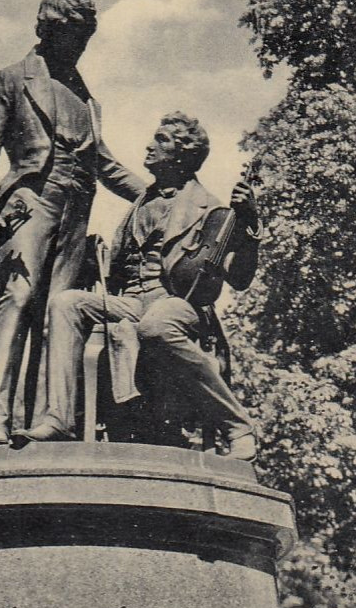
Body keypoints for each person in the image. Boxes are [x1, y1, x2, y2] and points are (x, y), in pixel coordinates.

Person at [14, 112, 261, 459]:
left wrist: (250, 222)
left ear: (183, 154)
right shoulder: (142, 201)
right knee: (66, 302)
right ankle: (59, 418)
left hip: (176, 301)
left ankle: (238, 427)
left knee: (156, 325)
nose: (149, 145)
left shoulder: (211, 209)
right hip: (129, 299)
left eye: (161, 140)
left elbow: (240, 278)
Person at [0, 0, 145, 448]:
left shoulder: (86, 100)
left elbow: (104, 164)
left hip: (75, 211)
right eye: (74, 36)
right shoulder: (9, 79)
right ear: (49, 30)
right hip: (30, 203)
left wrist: (160, 192)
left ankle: (47, 419)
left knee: (58, 314)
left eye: (86, 38)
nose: (81, 46)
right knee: (19, 297)